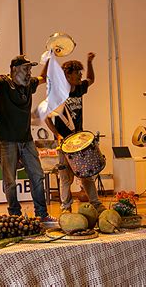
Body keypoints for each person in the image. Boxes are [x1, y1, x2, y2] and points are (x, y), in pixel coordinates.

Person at [0, 31, 56, 225]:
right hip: (7, 141)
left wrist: (51, 56)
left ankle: (42, 214)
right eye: (25, 68)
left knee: (37, 175)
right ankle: (14, 215)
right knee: (10, 181)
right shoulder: (2, 84)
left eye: (30, 69)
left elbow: (43, 78)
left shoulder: (29, 84)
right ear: (13, 69)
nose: (29, 72)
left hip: (26, 140)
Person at [45, 53, 106, 214]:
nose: (80, 76)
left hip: (79, 140)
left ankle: (96, 203)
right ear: (67, 75)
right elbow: (47, 119)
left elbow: (91, 79)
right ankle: (66, 207)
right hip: (64, 142)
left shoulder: (79, 89)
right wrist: (57, 135)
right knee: (65, 176)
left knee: (86, 173)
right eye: (77, 73)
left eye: (81, 72)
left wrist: (89, 62)